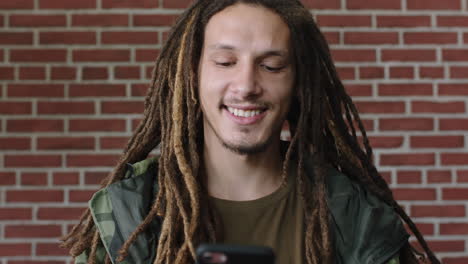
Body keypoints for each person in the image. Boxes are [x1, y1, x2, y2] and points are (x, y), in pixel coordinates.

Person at [61, 0, 440, 263]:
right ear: (191, 76)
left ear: (297, 84)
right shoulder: (129, 213)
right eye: (225, 62)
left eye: (272, 66)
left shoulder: (354, 218)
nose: (246, 85)